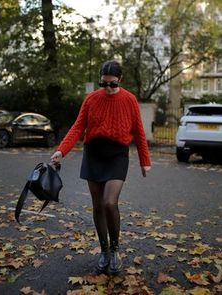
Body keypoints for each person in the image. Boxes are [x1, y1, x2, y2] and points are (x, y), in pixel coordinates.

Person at [51, 60, 151, 274]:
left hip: (117, 155)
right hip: (94, 154)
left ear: (120, 80)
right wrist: (62, 150)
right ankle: (104, 250)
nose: (107, 88)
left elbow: (139, 131)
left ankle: (115, 250)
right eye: (103, 84)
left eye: (112, 84)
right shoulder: (91, 99)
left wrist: (145, 160)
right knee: (97, 206)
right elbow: (78, 126)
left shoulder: (130, 100)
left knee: (109, 203)